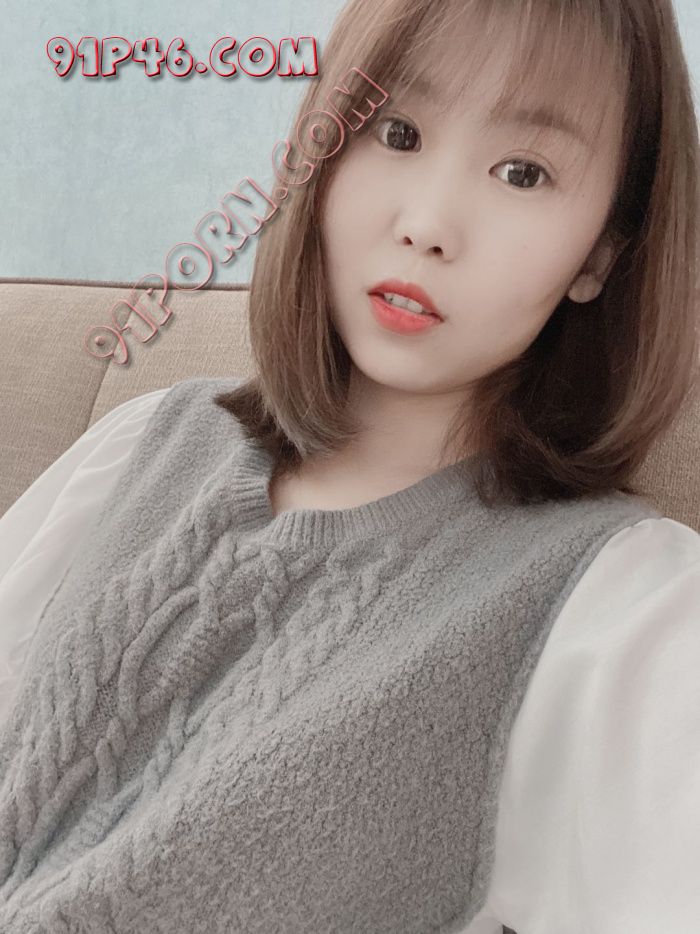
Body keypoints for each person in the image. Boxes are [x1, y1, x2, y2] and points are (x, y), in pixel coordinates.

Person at [0, 0, 699, 931]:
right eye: (397, 133)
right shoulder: (147, 443)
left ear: (602, 253)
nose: (428, 225)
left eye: (522, 172)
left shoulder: (623, 614)